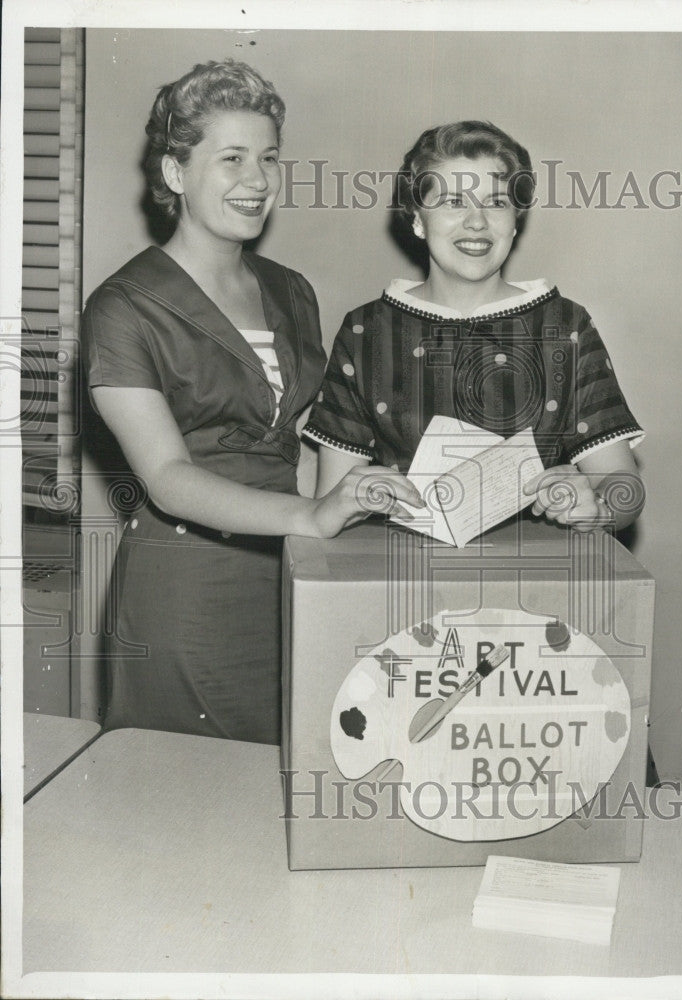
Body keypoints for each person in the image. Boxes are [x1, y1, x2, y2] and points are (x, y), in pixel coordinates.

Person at [82, 60, 420, 744]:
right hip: (186, 589)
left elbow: (288, 447)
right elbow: (168, 480)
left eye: (268, 157)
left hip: (287, 576)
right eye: (231, 157)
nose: (259, 179)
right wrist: (313, 515)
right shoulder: (122, 306)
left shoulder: (290, 289)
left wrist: (361, 498)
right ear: (176, 173)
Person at [303, 120, 645, 531]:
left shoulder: (566, 325)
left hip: (537, 576)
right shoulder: (366, 331)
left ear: (516, 220)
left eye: (496, 203)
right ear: (416, 217)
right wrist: (356, 496)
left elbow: (625, 490)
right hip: (399, 574)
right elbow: (329, 505)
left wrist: (599, 507)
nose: (477, 222)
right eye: (452, 202)